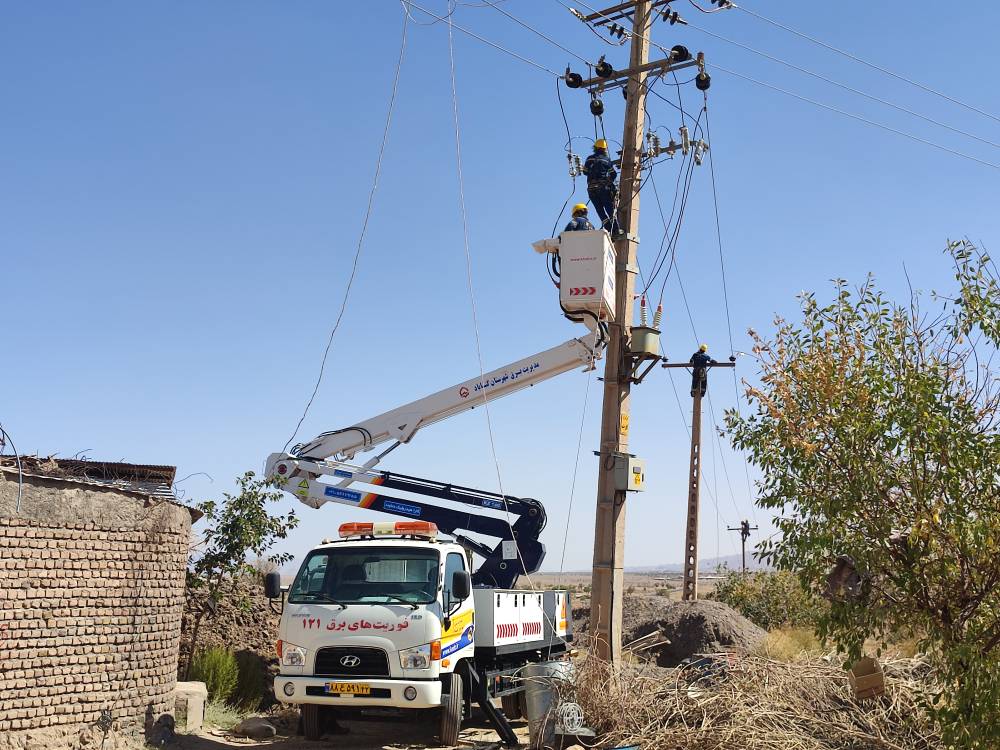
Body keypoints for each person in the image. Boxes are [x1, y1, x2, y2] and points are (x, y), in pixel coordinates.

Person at [583, 139, 619, 235]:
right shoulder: (606, 160)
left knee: (600, 210)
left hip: (591, 189)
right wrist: (608, 180)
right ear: (604, 149)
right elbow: (613, 174)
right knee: (609, 209)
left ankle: (608, 228)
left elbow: (585, 172)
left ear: (595, 148)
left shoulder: (589, 159)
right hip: (602, 189)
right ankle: (616, 229)